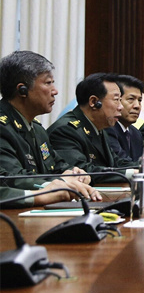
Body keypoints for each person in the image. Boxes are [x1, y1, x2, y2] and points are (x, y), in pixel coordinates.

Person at [0, 50, 100, 201]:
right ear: (22, 90)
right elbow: (10, 177)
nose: (55, 91)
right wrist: (57, 183)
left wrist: (73, 173)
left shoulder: (37, 129)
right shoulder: (3, 127)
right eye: (48, 83)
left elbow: (56, 164)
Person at [48, 73, 144, 183]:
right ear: (94, 102)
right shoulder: (65, 130)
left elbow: (117, 162)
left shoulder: (99, 128)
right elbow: (81, 171)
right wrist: (133, 173)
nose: (120, 107)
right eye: (116, 100)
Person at [106, 75, 144, 161]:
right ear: (117, 100)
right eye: (131, 99)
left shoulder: (136, 133)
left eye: (139, 100)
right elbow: (121, 162)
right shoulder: (108, 129)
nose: (137, 106)